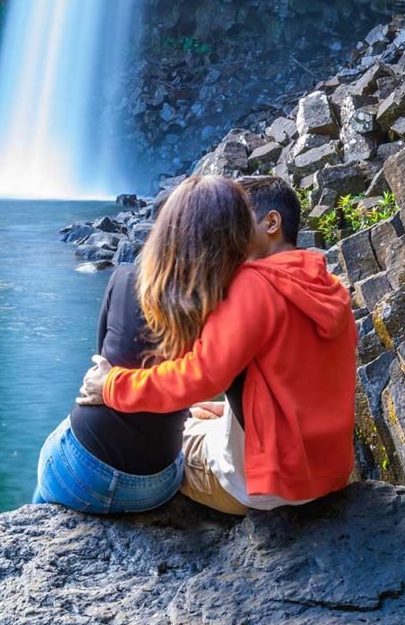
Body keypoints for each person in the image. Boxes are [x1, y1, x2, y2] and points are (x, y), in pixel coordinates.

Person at [78, 174, 358, 515]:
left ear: (272, 222)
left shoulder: (254, 286)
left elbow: (199, 376)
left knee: (169, 446)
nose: (229, 234)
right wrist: (236, 413)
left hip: (266, 487)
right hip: (329, 475)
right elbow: (307, 382)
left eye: (239, 221)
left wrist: (111, 385)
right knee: (200, 417)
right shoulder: (330, 287)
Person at [32, 176, 252, 513]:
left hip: (84, 470)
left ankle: (37, 531)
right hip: (156, 483)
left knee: (56, 451)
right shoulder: (234, 308)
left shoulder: (123, 278)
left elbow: (104, 362)